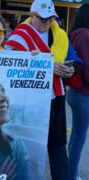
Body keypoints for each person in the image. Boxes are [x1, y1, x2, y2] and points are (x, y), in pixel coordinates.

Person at [5, 0, 82, 179]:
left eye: (50, 18)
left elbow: (74, 59)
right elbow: (9, 65)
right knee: (25, 150)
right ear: (32, 16)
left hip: (55, 101)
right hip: (28, 103)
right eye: (42, 19)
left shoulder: (60, 35)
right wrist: (47, 66)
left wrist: (72, 69)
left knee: (58, 151)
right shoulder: (19, 36)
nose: (47, 22)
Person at [67, 4, 89, 180]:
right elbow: (86, 67)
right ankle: (71, 175)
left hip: (76, 91)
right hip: (83, 93)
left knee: (76, 137)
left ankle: (69, 173)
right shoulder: (85, 35)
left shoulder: (77, 34)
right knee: (78, 138)